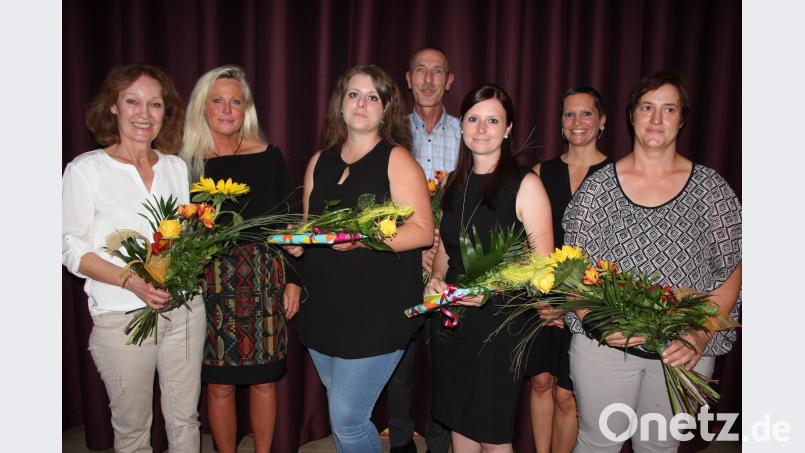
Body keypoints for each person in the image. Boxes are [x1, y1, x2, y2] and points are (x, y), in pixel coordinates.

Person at [563, 70, 742, 453]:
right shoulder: (598, 188)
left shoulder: (712, 190)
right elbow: (571, 271)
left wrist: (703, 331)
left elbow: (735, 269)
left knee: (659, 447)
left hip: (683, 348)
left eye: (668, 109)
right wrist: (596, 323)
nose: (656, 119)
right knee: (598, 442)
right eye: (647, 108)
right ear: (631, 115)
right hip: (604, 350)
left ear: (682, 118)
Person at [289, 64, 434, 452]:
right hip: (323, 308)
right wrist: (295, 243)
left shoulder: (396, 159)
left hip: (377, 311)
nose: (362, 103)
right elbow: (308, 227)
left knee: (348, 419)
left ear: (385, 109)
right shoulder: (319, 160)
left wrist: (363, 242)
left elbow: (421, 230)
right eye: (354, 94)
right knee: (345, 415)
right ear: (340, 104)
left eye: (373, 97)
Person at [62, 64, 204, 453]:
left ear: (165, 112)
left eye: (155, 104)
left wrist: (184, 271)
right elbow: (72, 248)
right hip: (122, 317)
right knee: (133, 432)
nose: (144, 113)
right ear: (113, 107)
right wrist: (132, 281)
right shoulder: (86, 170)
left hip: (185, 308)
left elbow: (181, 239)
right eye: (132, 101)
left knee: (185, 421)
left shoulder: (175, 167)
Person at [179, 65, 301, 453]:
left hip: (265, 280)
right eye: (218, 101)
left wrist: (295, 279)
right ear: (203, 107)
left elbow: (290, 220)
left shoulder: (269, 155)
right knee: (219, 384)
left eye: (236, 101)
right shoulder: (184, 163)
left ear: (246, 108)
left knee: (265, 380)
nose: (227, 109)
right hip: (210, 285)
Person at [427, 84, 554, 453]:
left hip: (499, 327)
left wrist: (490, 289)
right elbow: (448, 252)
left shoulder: (526, 184)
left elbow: (543, 265)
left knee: (494, 437)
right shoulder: (455, 184)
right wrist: (435, 279)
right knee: (459, 424)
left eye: (493, 120)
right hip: (452, 324)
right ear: (462, 126)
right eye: (474, 119)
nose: (482, 129)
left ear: (508, 129)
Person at [528, 86, 611, 453]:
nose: (577, 122)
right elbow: (526, 243)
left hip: (589, 302)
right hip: (543, 299)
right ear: (561, 123)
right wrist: (537, 298)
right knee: (541, 384)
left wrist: (579, 303)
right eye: (569, 115)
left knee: (566, 395)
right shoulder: (540, 172)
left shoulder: (616, 175)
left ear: (602, 121)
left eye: (586, 114)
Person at [387, 46, 460, 453]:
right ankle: (400, 441)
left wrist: (442, 253)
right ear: (408, 78)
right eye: (420, 71)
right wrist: (415, 248)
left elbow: (475, 202)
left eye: (438, 72)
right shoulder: (390, 135)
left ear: (449, 81)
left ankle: (439, 443)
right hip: (400, 264)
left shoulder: (469, 134)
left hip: (450, 267)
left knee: (445, 364)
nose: (429, 79)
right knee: (400, 362)